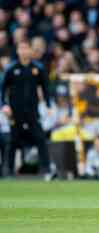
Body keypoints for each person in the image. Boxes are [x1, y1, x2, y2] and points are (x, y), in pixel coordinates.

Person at [0, 40, 53, 180]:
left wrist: (48, 105)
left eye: (26, 48)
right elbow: (2, 89)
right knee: (12, 141)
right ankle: (8, 171)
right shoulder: (11, 68)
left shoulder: (38, 68)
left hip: (32, 112)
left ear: (31, 50)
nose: (24, 51)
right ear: (17, 51)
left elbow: (46, 88)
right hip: (15, 112)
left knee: (40, 138)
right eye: (21, 48)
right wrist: (4, 105)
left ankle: (46, 170)